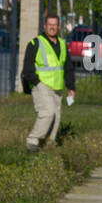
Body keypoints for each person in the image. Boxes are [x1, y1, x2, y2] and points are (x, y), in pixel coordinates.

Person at [21, 13, 75, 151]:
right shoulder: (35, 43)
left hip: (57, 87)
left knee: (56, 118)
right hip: (41, 85)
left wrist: (71, 87)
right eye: (49, 25)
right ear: (45, 26)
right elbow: (27, 70)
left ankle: (48, 145)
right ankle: (32, 141)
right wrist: (37, 83)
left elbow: (68, 67)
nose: (52, 27)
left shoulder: (62, 44)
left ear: (59, 27)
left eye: (55, 25)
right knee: (48, 112)